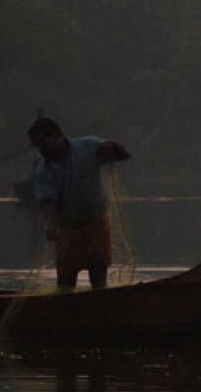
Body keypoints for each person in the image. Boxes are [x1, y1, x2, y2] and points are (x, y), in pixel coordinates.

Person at [27, 117, 131, 290]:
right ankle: (68, 311)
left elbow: (119, 152)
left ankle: (101, 308)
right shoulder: (43, 172)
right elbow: (48, 204)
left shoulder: (87, 146)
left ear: (56, 136)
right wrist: (52, 225)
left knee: (98, 278)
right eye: (37, 146)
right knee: (66, 283)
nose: (40, 149)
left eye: (42, 143)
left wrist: (114, 149)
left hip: (96, 224)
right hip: (68, 230)